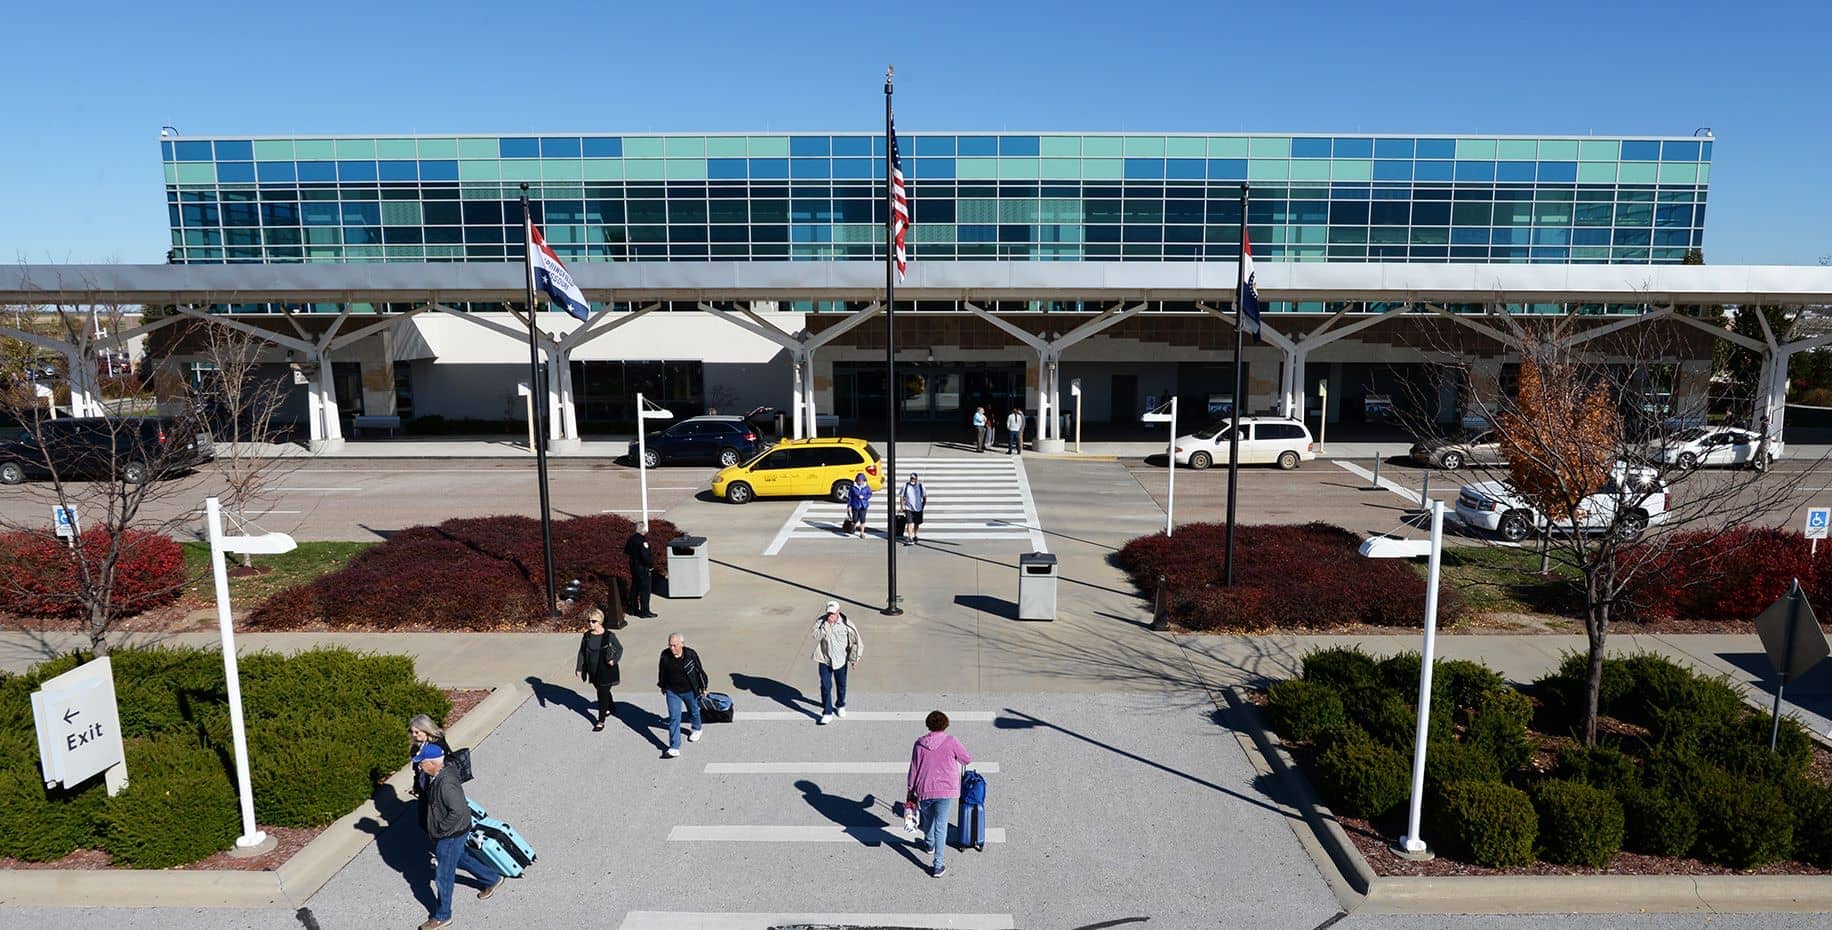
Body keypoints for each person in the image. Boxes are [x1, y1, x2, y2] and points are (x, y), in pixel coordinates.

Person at [416, 744, 502, 929]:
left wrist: (439, 829)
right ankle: (491, 878)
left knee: (443, 876)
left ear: (432, 763)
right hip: (453, 834)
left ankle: (442, 915)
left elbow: (459, 812)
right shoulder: (439, 775)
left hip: (450, 835)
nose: (419, 767)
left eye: (421, 763)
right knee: (461, 858)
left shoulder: (446, 784)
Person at [908, 710, 973, 878]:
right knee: (941, 825)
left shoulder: (919, 743)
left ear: (928, 724)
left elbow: (914, 768)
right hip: (946, 789)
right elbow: (966, 759)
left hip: (924, 788)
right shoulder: (951, 741)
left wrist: (910, 790)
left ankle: (929, 844)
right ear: (945, 725)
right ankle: (938, 865)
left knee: (928, 819)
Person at [657, 632, 709, 758]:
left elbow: (699, 671)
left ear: (682, 644)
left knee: (694, 711)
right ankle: (674, 747)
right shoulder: (665, 655)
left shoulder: (690, 655)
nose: (672, 648)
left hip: (690, 690)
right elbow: (662, 671)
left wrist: (703, 687)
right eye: (670, 645)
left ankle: (697, 728)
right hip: (672, 691)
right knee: (674, 717)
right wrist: (663, 686)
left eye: (675, 645)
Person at [811, 600, 862, 724]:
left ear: (838, 612)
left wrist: (854, 659)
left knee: (841, 685)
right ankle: (827, 712)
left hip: (840, 660)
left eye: (833, 613)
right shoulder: (821, 622)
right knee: (825, 685)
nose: (830, 616)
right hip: (825, 659)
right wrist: (826, 626)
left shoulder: (847, 625)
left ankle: (840, 705)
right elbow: (815, 636)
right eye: (829, 613)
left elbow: (856, 643)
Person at [575, 608, 623, 732]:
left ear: (600, 621)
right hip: (592, 670)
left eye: (593, 621)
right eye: (589, 621)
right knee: (602, 690)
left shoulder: (608, 636)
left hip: (606, 669)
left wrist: (614, 660)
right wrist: (579, 668)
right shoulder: (587, 636)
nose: (590, 624)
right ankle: (611, 706)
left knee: (601, 694)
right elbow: (581, 652)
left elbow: (619, 648)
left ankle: (601, 721)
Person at [408, 714, 449, 803]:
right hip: (426, 786)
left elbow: (437, 768)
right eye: (412, 732)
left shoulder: (435, 747)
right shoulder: (420, 745)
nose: (414, 735)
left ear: (426, 730)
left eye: (417, 732)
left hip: (436, 787)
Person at [624, 529, 656, 618]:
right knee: (645, 591)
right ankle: (645, 612)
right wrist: (650, 565)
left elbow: (626, 550)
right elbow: (645, 556)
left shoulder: (631, 539)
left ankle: (633, 609)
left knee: (634, 588)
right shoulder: (643, 541)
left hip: (633, 566)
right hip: (642, 568)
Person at [899, 472, 926, 546]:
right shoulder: (906, 485)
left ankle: (915, 535)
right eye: (911, 478)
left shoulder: (920, 486)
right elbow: (901, 496)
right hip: (908, 508)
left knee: (917, 523)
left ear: (916, 479)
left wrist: (923, 505)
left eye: (913, 478)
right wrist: (902, 506)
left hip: (918, 508)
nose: (912, 480)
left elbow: (924, 496)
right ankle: (910, 537)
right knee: (909, 523)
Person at [846, 472, 872, 539]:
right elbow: (850, 497)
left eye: (861, 480)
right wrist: (848, 506)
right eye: (858, 480)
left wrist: (864, 497)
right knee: (855, 519)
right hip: (855, 505)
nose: (860, 482)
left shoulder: (866, 487)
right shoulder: (853, 487)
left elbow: (869, 494)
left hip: (863, 505)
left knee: (862, 519)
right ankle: (853, 527)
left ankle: (862, 533)